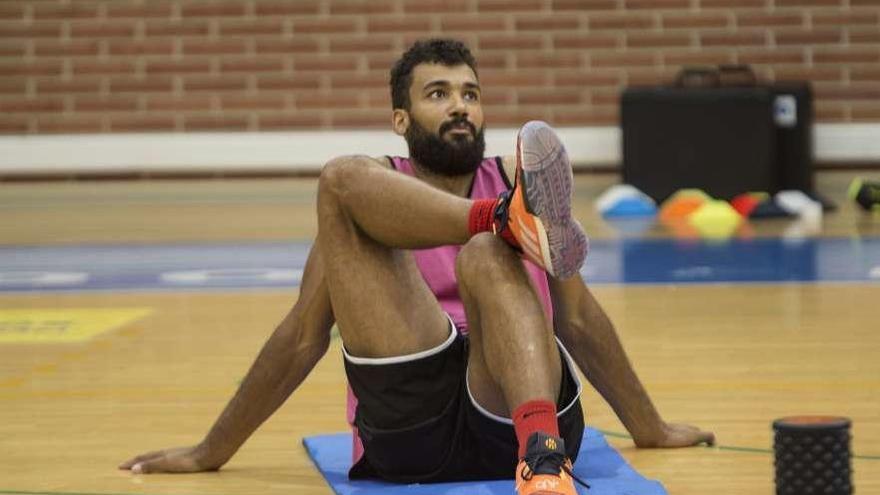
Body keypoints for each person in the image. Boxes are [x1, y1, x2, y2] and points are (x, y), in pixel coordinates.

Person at [120, 38, 714, 495]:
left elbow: (578, 320)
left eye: (471, 94)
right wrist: (210, 450)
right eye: (438, 94)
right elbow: (303, 336)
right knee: (341, 178)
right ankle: (493, 222)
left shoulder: (517, 178)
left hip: (515, 404)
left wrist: (651, 428)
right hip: (411, 426)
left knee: (486, 253)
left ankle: (543, 464)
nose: (460, 107)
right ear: (401, 120)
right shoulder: (373, 191)